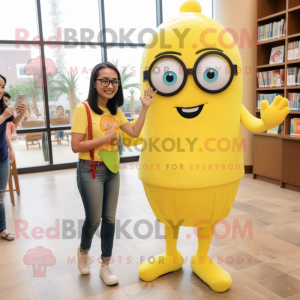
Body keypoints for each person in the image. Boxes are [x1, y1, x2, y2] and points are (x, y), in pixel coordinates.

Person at [71, 62, 155, 285]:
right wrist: (105, 139)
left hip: (112, 170)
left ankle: (106, 265)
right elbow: (76, 146)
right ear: (95, 82)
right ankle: (83, 249)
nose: (110, 85)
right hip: (90, 170)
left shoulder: (116, 111)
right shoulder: (83, 109)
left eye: (115, 81)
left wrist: (145, 107)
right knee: (94, 219)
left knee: (109, 219)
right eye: (105, 81)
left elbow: (135, 132)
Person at [0, 74, 27, 241]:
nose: (1, 90)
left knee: (0, 196)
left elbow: (13, 123)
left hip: (2, 157)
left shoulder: (2, 105)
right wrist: (2, 117)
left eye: (3, 86)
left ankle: (2, 228)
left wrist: (21, 113)